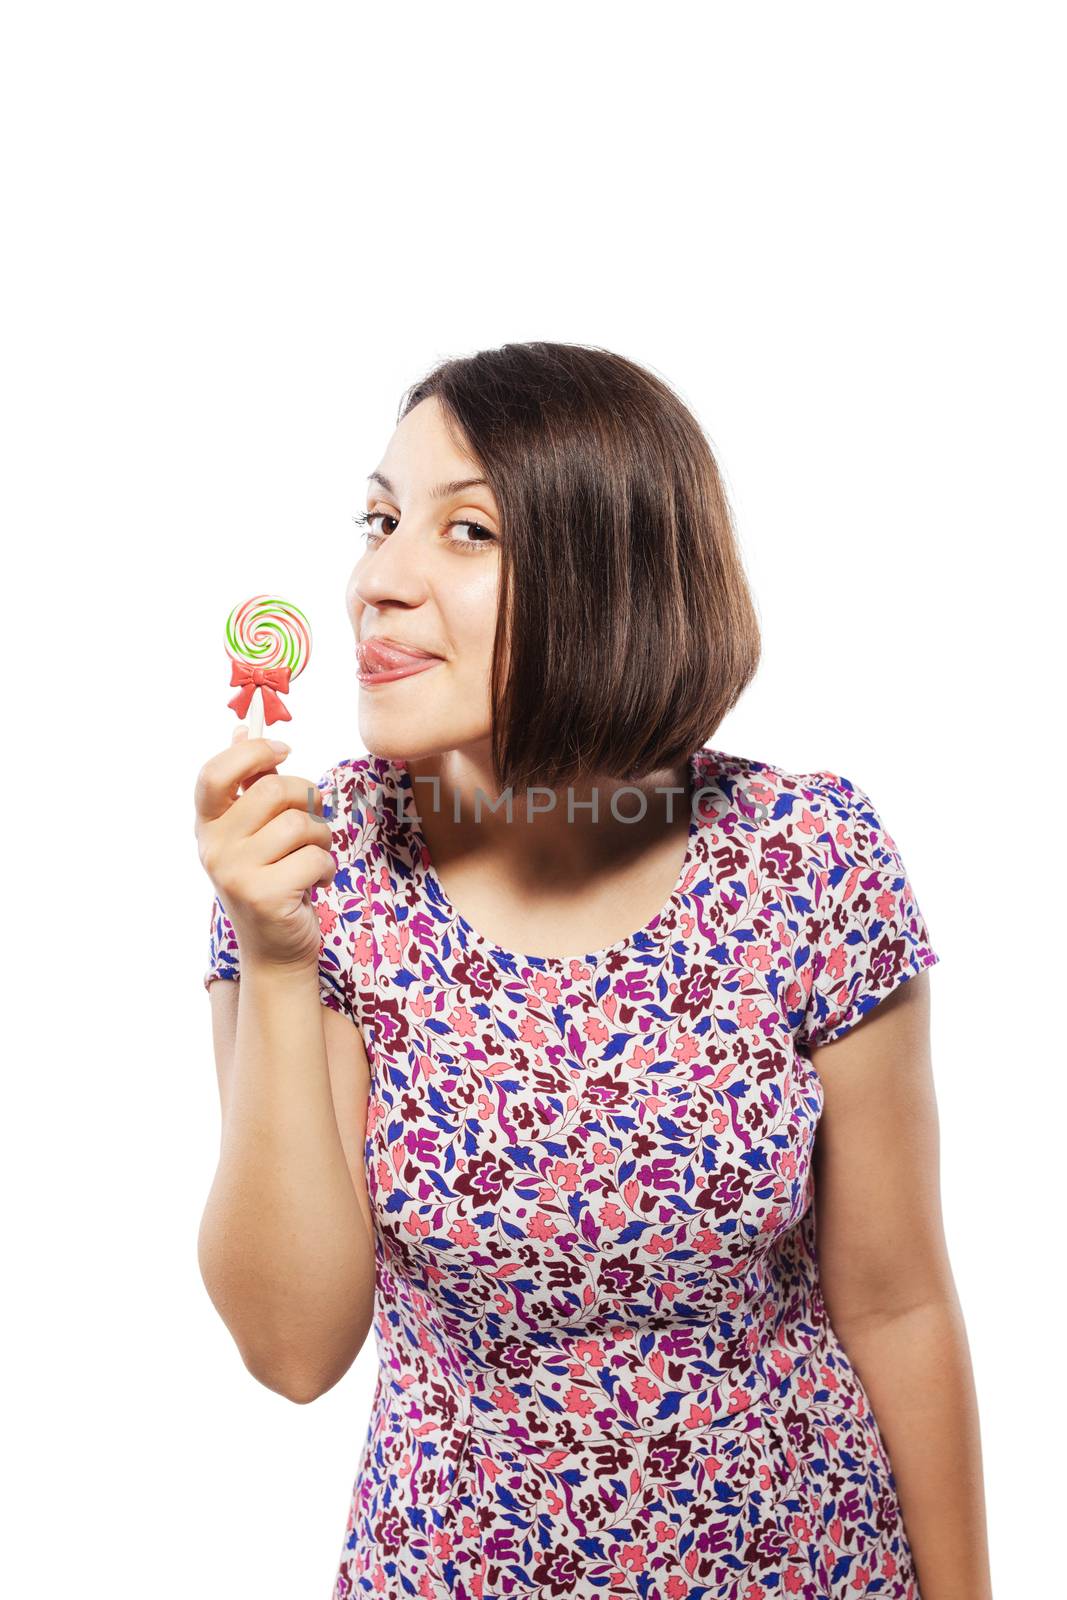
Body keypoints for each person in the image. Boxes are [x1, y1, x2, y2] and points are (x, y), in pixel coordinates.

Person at [195, 342, 992, 1599]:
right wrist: (276, 959)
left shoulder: (806, 857)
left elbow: (896, 1302)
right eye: (379, 519)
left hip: (806, 1566)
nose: (376, 581)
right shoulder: (316, 866)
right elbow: (293, 1349)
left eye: (465, 532)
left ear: (611, 574)